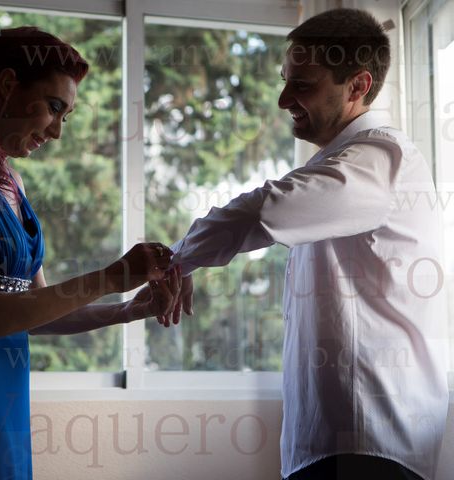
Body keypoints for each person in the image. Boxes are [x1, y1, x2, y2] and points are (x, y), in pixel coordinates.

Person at [168, 8, 448, 480]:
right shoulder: (343, 162)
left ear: (357, 86)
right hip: (339, 445)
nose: (283, 99)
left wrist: (175, 260)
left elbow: (268, 210)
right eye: (285, 80)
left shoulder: (380, 159)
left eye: (302, 84)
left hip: (366, 447)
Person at [0, 27, 179, 479]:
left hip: (5, 409)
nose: (58, 132)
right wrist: (111, 275)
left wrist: (128, 309)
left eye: (67, 116)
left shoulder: (13, 185)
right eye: (54, 108)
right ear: (8, 87)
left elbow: (39, 313)